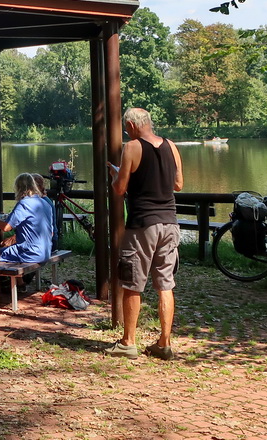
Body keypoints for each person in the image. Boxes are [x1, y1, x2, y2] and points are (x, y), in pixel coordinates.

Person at [104, 107, 183, 360]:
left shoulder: (132, 147)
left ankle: (128, 342)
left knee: (132, 283)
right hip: (170, 223)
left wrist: (117, 175)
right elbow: (178, 184)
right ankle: (164, 343)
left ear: (131, 125)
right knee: (165, 284)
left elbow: (120, 189)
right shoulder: (171, 145)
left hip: (142, 225)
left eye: (127, 127)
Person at [0, 172, 55, 267]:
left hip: (30, 252)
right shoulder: (45, 203)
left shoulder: (24, 204)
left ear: (19, 188)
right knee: (6, 250)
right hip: (45, 251)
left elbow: (6, 227)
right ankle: (18, 282)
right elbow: (51, 233)